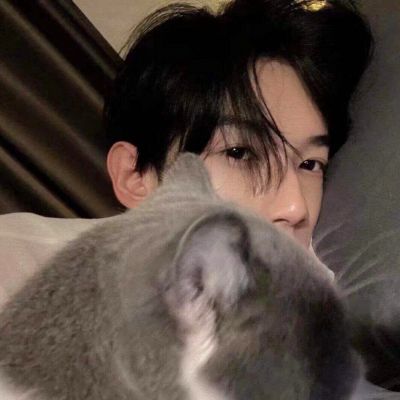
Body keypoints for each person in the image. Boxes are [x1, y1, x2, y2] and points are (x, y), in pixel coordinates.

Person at [0, 0, 371, 304]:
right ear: (135, 177)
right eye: (240, 153)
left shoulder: (334, 290)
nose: (295, 207)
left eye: (310, 164)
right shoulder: (18, 268)